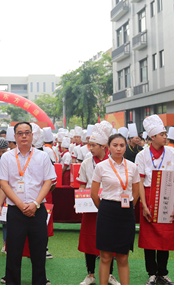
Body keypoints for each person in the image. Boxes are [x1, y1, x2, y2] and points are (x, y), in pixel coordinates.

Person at [0, 121, 56, 285]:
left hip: (38, 211)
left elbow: (48, 182)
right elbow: (4, 183)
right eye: (20, 133)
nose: (24, 136)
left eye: (27, 132)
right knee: (14, 252)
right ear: (14, 136)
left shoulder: (42, 156)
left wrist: (35, 204)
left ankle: (39, 281)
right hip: (16, 211)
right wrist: (21, 205)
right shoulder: (7, 157)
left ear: (32, 135)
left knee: (38, 252)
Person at [136, 115, 174, 285]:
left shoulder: (173, 153)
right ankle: (151, 272)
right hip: (148, 196)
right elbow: (140, 182)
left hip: (167, 195)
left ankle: (162, 272)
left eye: (165, 133)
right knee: (149, 239)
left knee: (166, 237)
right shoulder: (142, 155)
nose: (166, 136)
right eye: (162, 134)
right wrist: (143, 204)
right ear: (153, 137)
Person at [91, 128, 140, 285]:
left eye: (122, 145)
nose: (119, 148)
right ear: (108, 146)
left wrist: (127, 207)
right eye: (115, 145)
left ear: (125, 146)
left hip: (126, 213)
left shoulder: (132, 167)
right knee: (105, 256)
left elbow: (137, 193)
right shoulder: (101, 167)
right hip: (106, 211)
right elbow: (93, 194)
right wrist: (105, 208)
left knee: (123, 256)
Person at [76, 122, 120, 285]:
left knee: (110, 240)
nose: (90, 148)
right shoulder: (87, 163)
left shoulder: (114, 162)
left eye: (93, 145)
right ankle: (90, 274)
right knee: (89, 240)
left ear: (103, 146)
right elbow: (82, 185)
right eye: (89, 145)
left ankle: (109, 274)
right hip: (89, 206)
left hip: (109, 206)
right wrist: (78, 201)